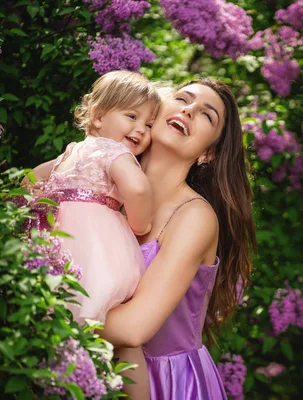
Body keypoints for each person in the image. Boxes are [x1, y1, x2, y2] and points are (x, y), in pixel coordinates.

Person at [99, 78, 256, 399]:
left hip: (168, 383)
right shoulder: (100, 179)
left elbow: (133, 330)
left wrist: (50, 311)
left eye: (206, 115)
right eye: (183, 99)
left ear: (208, 154)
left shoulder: (194, 218)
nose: (189, 110)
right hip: (90, 365)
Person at [24, 70, 160, 399]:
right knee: (125, 350)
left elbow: (29, 181)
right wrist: (140, 225)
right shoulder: (112, 152)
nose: (141, 129)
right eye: (132, 116)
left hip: (68, 258)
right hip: (98, 254)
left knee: (64, 339)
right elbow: (139, 190)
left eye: (149, 124)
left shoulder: (70, 154)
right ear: (98, 118)